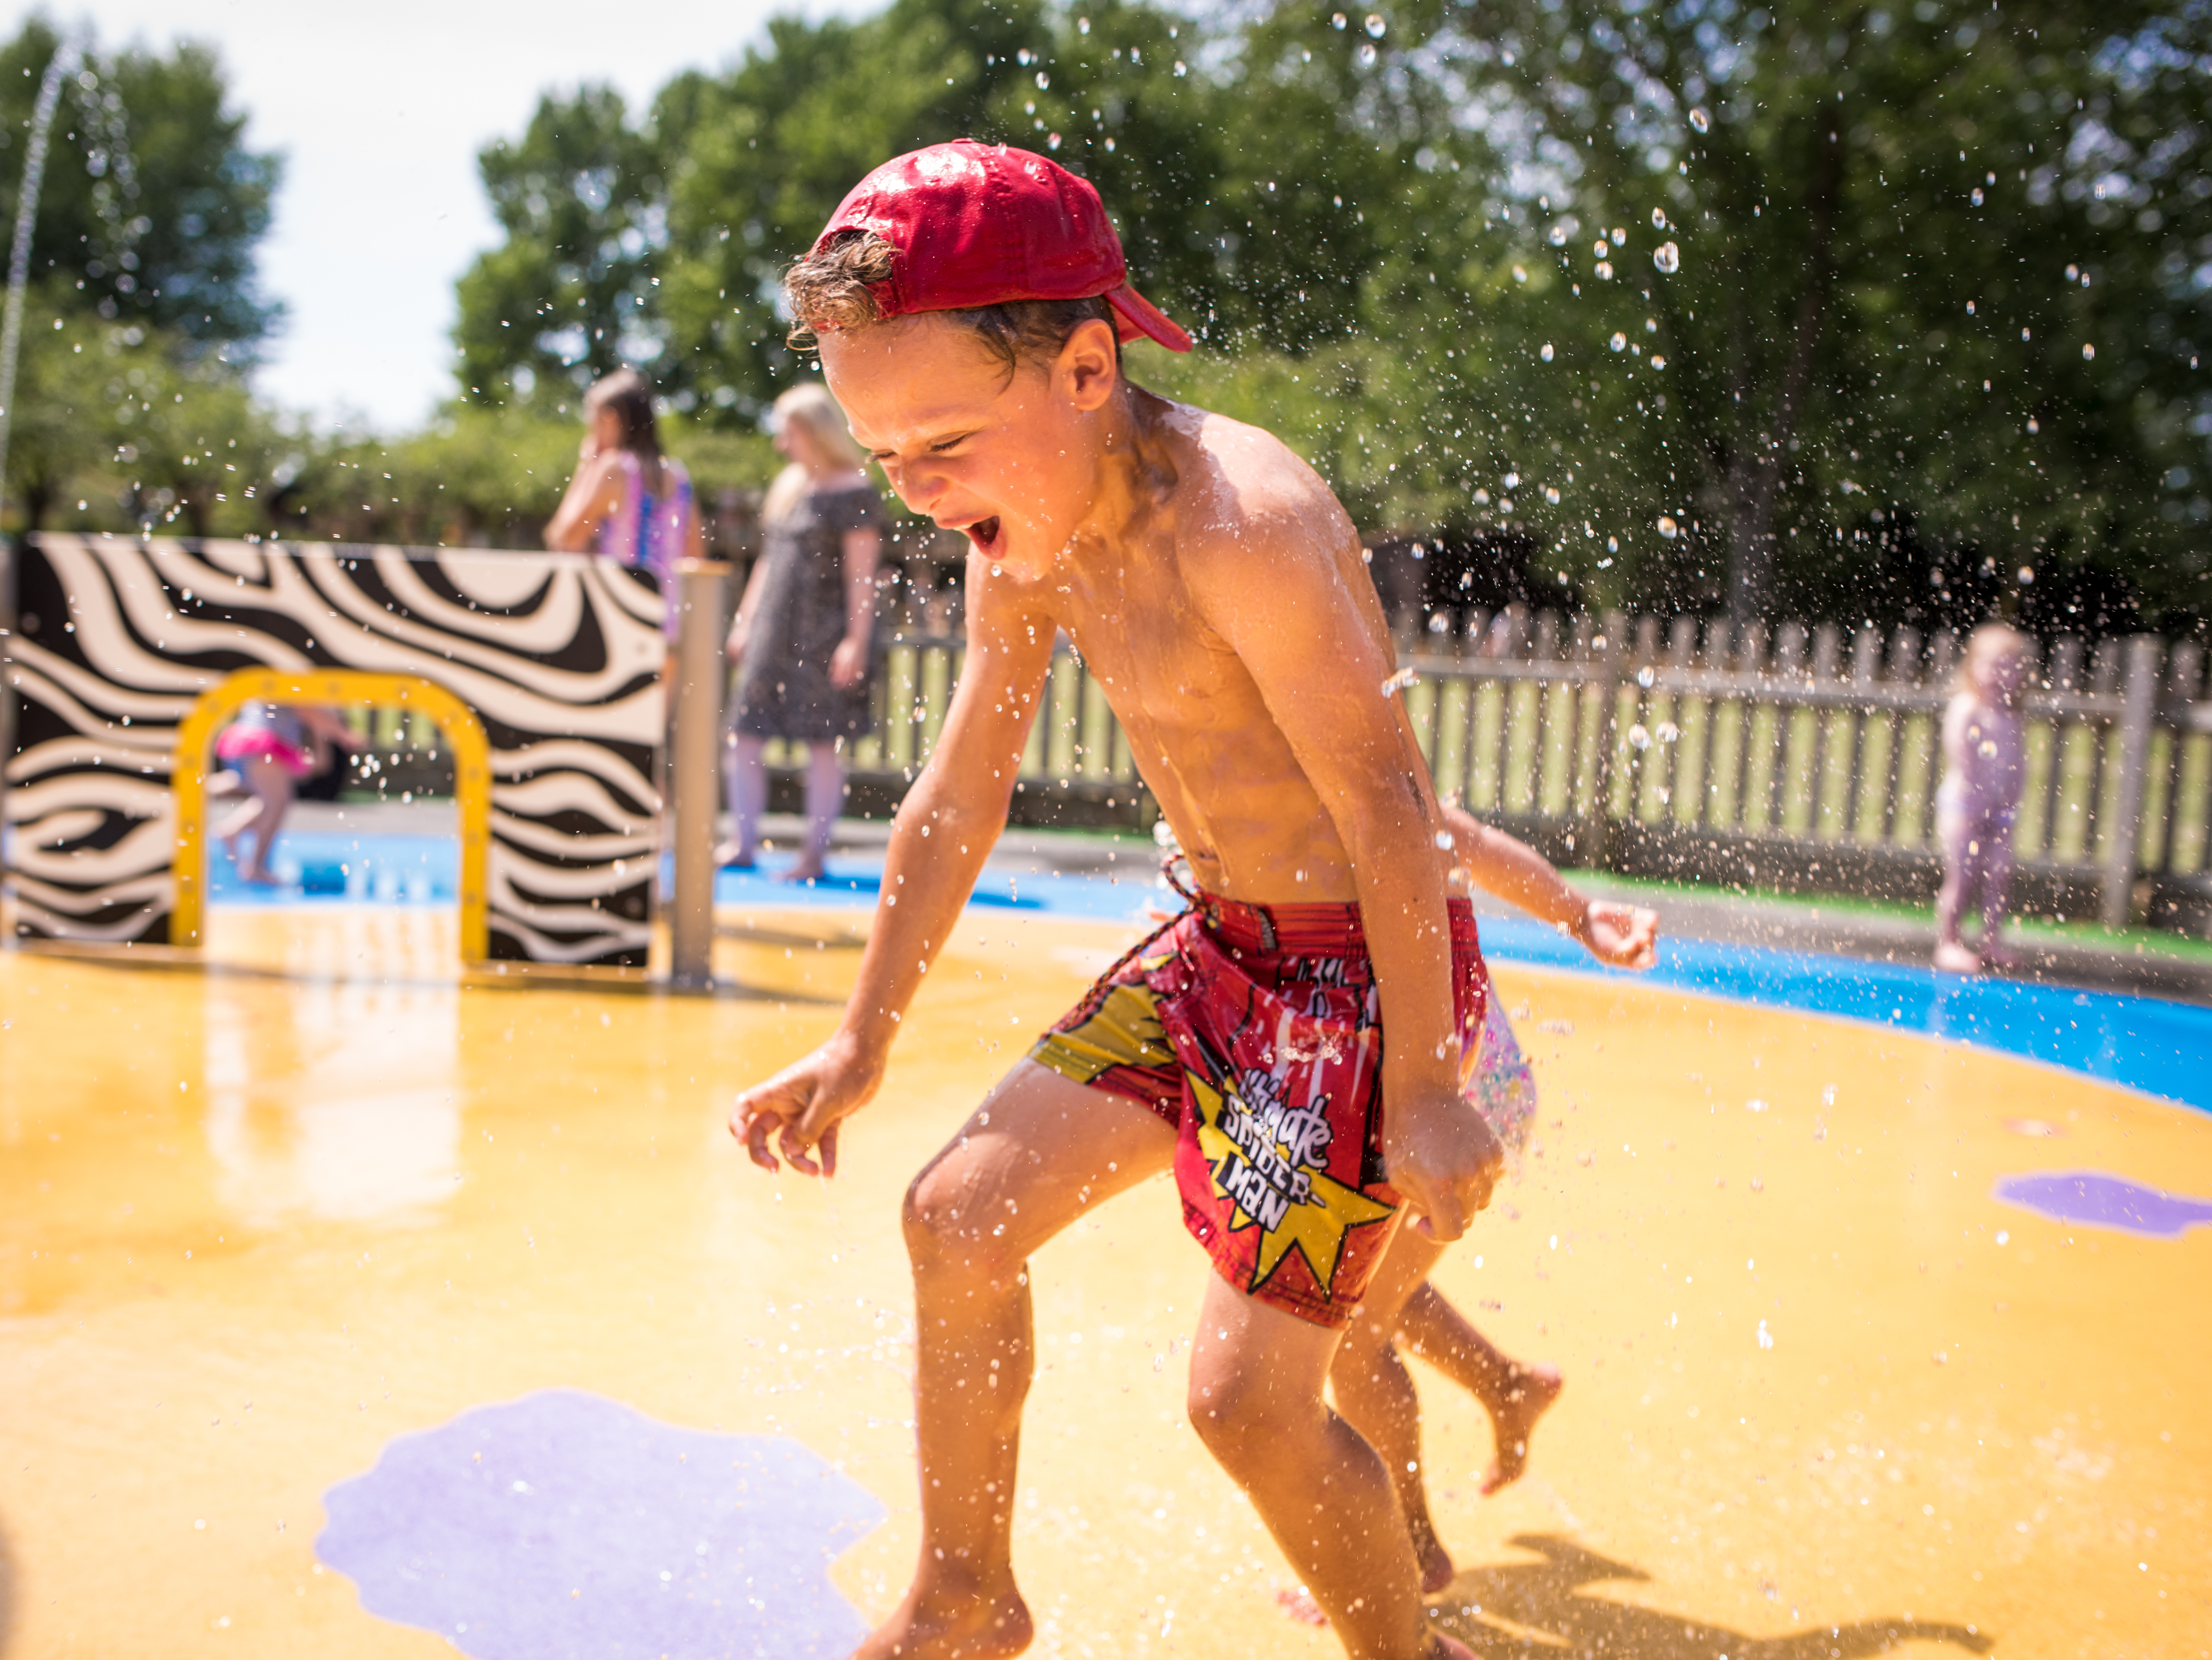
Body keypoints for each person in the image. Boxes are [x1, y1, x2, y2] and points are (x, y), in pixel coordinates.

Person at [727, 142, 1502, 1660]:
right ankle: (964, 1595)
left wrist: (1420, 1079)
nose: (921, 489)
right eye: (888, 461)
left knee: (1241, 1405)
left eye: (942, 440)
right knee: (953, 1218)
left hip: (1354, 993)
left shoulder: (1240, 521)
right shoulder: (1025, 532)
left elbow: (1386, 803)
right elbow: (957, 795)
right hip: (1218, 949)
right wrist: (858, 1045)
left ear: (1085, 367)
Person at [1317, 803, 1658, 1612]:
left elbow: (1454, 835)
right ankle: (1504, 1385)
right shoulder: (1304, 763)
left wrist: (1581, 916)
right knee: (1365, 1284)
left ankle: (1408, 1550)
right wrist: (1577, 916)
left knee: (1346, 1331)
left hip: (1450, 1096)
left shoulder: (1335, 764)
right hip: (1448, 1081)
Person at [721, 382, 887, 880]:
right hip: (775, 632)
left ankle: (813, 853)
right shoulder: (790, 489)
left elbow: (863, 575)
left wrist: (856, 640)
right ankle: (742, 842)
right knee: (745, 736)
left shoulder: (854, 493)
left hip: (824, 636)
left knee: (822, 743)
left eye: (788, 433)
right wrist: (746, 621)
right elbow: (768, 563)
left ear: (814, 432)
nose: (780, 443)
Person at [544, 367, 704, 672]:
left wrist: (585, 466)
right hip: (668, 627)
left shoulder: (614, 469)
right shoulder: (679, 475)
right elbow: (696, 556)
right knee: (656, 721)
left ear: (609, 418)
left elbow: (562, 538)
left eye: (591, 417)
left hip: (619, 624)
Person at [1933, 622, 2031, 973]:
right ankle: (1949, 943)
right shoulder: (1967, 707)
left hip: (2000, 812)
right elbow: (1961, 753)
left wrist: (2012, 799)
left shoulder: (2011, 715)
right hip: (1963, 809)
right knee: (1963, 876)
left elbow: (2018, 761)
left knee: (1999, 876)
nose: (1999, 675)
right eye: (1990, 665)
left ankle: (1992, 941)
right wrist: (1976, 798)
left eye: (2008, 667)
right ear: (1972, 667)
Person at [213, 701, 362, 886]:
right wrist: (344, 734)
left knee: (270, 800)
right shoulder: (292, 686)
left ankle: (232, 831)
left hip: (248, 741)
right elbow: (309, 710)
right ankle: (257, 867)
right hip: (262, 743)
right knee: (277, 803)